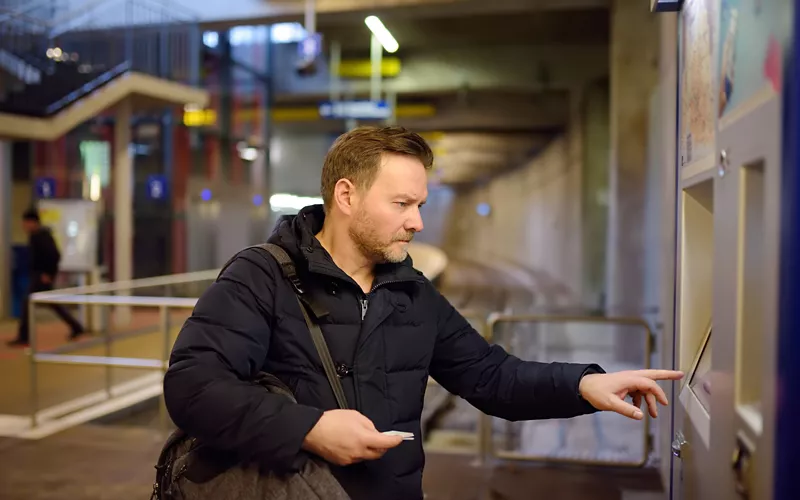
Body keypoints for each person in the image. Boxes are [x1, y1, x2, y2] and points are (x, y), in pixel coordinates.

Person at [163, 126, 683, 500]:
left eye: (421, 206)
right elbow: (194, 386)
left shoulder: (414, 294)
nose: (416, 223)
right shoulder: (261, 277)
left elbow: (491, 377)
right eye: (401, 204)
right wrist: (308, 428)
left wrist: (584, 386)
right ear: (347, 195)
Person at [7, 209, 85, 347]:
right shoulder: (35, 236)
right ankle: (76, 327)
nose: (23, 225)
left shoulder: (42, 236)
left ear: (32, 222)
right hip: (39, 275)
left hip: (41, 276)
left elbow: (54, 255)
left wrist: (49, 274)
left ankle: (24, 337)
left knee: (28, 303)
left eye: (25, 222)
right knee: (52, 304)